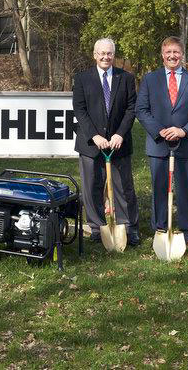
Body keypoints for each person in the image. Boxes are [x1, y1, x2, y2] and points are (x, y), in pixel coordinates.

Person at [136, 36, 188, 251]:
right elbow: (141, 109)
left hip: (186, 144)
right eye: (168, 52)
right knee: (160, 189)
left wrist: (184, 130)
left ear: (182, 54)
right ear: (162, 55)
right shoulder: (150, 79)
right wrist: (159, 131)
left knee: (186, 190)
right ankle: (160, 231)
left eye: (176, 52)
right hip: (158, 144)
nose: (172, 56)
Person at [72, 38, 139, 246]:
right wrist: (94, 135)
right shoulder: (82, 78)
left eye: (109, 53)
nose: (105, 57)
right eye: (101, 53)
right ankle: (96, 227)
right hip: (91, 143)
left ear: (113, 55)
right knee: (92, 186)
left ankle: (128, 227)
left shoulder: (125, 78)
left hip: (119, 143)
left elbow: (131, 108)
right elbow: (79, 109)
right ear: (94, 55)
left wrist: (119, 134)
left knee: (123, 187)